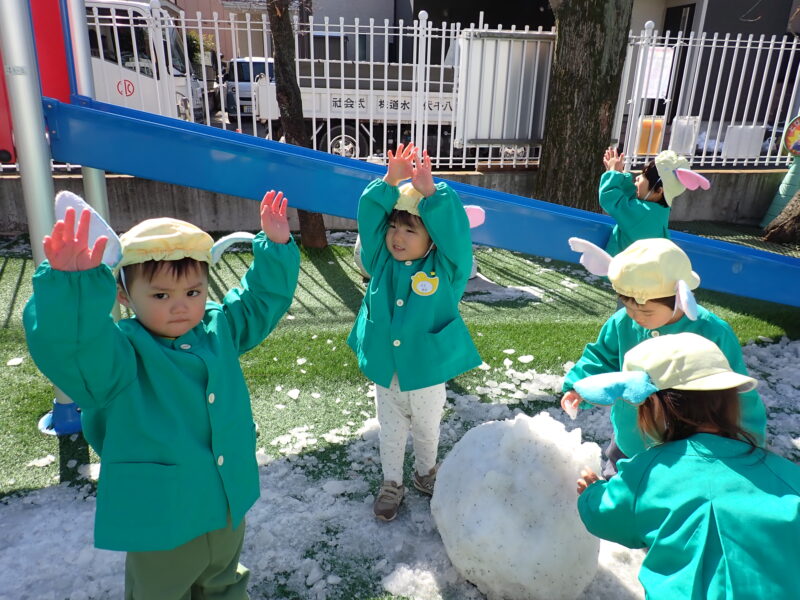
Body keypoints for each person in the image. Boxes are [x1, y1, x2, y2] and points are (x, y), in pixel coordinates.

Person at [24, 191, 300, 599]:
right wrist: (71, 289)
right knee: (160, 591)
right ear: (124, 296)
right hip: (163, 513)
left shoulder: (217, 328)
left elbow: (258, 303)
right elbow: (75, 349)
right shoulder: (120, 353)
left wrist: (276, 248)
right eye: (160, 295)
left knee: (223, 579)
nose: (180, 307)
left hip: (225, 497)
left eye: (193, 292)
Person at [575, 332, 800, 600]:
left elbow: (608, 517)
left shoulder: (648, 472)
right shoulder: (787, 475)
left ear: (655, 406)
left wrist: (592, 494)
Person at [347, 143, 481, 521]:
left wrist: (433, 195)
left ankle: (426, 473)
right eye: (394, 226)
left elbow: (457, 238)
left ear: (432, 238)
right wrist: (389, 182)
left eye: (410, 229)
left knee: (426, 429)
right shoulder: (379, 260)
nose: (397, 236)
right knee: (390, 431)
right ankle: (392, 482)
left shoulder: (446, 270)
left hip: (426, 371)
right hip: (387, 371)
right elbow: (369, 217)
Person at [561, 237, 766, 477]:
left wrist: (748, 441)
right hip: (633, 432)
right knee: (621, 478)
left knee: (676, 486)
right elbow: (601, 357)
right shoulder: (622, 323)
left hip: (688, 438)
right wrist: (578, 387)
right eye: (628, 307)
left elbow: (735, 388)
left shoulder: (711, 331)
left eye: (646, 311)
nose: (636, 316)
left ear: (679, 298)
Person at [600, 147, 708, 256]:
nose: (637, 178)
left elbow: (610, 199)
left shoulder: (642, 213)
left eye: (644, 175)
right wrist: (617, 175)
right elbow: (630, 200)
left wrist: (613, 173)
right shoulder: (658, 211)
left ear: (658, 190)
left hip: (619, 266)